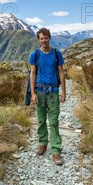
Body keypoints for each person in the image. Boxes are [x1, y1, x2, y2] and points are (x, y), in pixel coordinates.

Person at [29, 27, 66, 166]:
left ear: (49, 38)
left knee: (54, 121)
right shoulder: (35, 54)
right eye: (41, 38)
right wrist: (32, 93)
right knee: (41, 120)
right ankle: (43, 144)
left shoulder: (57, 54)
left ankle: (56, 150)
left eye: (46, 38)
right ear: (38, 40)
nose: (44, 40)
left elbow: (61, 72)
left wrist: (64, 91)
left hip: (53, 92)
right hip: (39, 91)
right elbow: (32, 74)